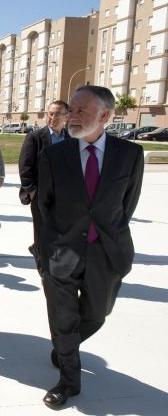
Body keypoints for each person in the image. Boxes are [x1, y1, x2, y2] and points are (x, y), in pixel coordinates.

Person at [37, 86, 144, 408]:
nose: (73, 115)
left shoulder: (130, 154)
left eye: (82, 110)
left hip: (107, 252)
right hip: (63, 251)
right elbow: (44, 207)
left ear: (105, 116)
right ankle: (69, 380)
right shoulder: (54, 155)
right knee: (62, 318)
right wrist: (46, 252)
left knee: (98, 314)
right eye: (72, 109)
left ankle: (64, 346)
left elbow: (127, 206)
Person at [18, 100, 69, 274]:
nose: (53, 118)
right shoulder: (35, 137)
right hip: (40, 194)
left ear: (66, 117)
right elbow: (25, 166)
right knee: (42, 229)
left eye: (57, 114)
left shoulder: (71, 139)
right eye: (50, 113)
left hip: (63, 195)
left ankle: (42, 252)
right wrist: (32, 191)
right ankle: (43, 267)